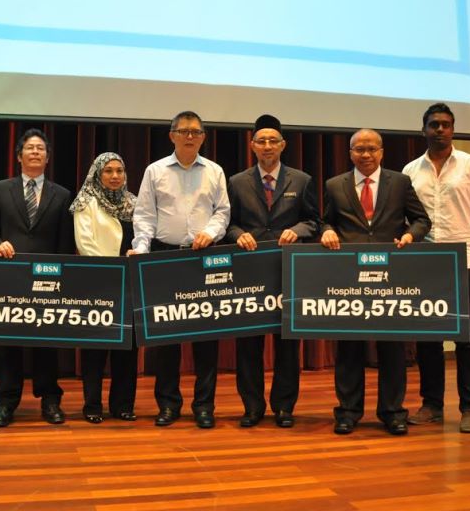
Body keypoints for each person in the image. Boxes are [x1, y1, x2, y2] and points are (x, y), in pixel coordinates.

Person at [320, 128, 430, 436]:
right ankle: (348, 412)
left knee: (392, 347)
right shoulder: (334, 185)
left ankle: (392, 412)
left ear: (381, 152)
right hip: (348, 277)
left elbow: (422, 220)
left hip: (390, 274)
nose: (365, 154)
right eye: (359, 149)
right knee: (349, 347)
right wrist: (326, 231)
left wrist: (411, 236)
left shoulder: (400, 182)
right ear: (350, 153)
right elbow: (324, 220)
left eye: (371, 149)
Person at [131, 111, 230, 429]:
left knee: (206, 338)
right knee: (166, 337)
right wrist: (141, 249)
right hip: (165, 256)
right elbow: (144, 215)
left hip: (204, 257)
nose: (190, 136)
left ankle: (204, 406)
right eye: (184, 131)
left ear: (203, 137)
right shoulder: (155, 170)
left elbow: (222, 212)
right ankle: (168, 404)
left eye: (196, 132)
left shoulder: (215, 171)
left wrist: (210, 232)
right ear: (172, 135)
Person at [402, 103, 470, 434]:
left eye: (445, 124)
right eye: (434, 124)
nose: (440, 129)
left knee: (467, 338)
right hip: (425, 263)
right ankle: (432, 405)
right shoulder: (410, 170)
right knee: (427, 339)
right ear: (423, 130)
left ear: (453, 129)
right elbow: (407, 219)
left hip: (465, 260)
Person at [224, 114, 319, 428]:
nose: (267, 146)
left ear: (283, 145)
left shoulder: (301, 180)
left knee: (287, 344)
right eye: (261, 141)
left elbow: (314, 221)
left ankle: (284, 407)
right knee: (248, 344)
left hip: (287, 271)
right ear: (252, 146)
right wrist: (239, 235)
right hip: (249, 271)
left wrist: (297, 230)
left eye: (272, 141)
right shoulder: (236, 182)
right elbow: (228, 224)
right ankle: (252, 407)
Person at [0, 129, 75, 427]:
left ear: (47, 158)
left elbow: (64, 243)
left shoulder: (62, 195)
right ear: (19, 156)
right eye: (30, 148)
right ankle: (5, 403)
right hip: (10, 278)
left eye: (40, 149)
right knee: (8, 344)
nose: (35, 152)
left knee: (47, 342)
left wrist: (62, 282)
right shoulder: (0, 189)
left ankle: (50, 401)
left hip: (48, 282)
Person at [70, 152, 139, 423]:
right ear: (97, 174)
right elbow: (84, 242)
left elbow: (143, 237)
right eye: (108, 171)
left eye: (119, 170)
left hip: (130, 285)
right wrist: (111, 271)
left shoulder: (134, 202)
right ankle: (92, 405)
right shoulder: (86, 201)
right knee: (95, 349)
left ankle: (123, 405)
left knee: (128, 349)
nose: (114, 176)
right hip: (98, 283)